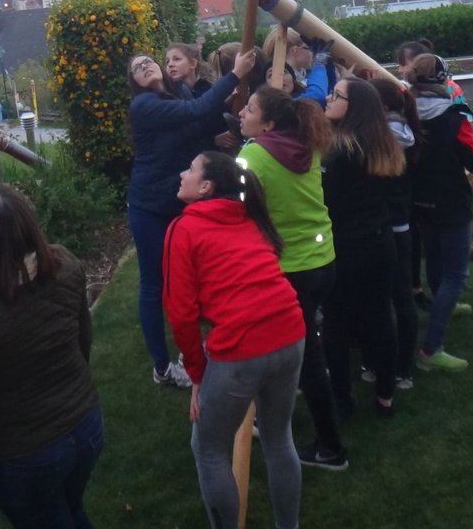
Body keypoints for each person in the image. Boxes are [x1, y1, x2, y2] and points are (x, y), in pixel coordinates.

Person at [164, 151, 305, 529]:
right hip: (291, 332)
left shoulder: (184, 227)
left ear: (205, 187)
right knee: (279, 438)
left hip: (242, 348)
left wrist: (197, 376)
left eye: (190, 169)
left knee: (208, 448)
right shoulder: (249, 217)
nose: (182, 173)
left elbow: (180, 313)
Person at [0, 184, 103, 528]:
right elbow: (83, 341)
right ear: (30, 225)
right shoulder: (66, 265)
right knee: (71, 511)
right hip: (86, 427)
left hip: (27, 456)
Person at [126, 47, 255, 387]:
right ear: (135, 82)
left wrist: (213, 136)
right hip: (150, 204)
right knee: (154, 283)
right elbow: (197, 110)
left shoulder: (179, 90)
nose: (146, 66)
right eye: (138, 68)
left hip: (181, 198)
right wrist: (235, 74)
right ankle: (162, 367)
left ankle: (198, 346)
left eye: (148, 61)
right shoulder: (144, 105)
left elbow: (194, 126)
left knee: (191, 277)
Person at [237, 84, 348, 470]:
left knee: (306, 357)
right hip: (323, 260)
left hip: (289, 271)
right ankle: (319, 396)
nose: (242, 113)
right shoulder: (307, 145)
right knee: (309, 341)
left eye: (250, 109)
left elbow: (238, 207)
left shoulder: (252, 156)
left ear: (267, 124)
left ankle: (331, 449)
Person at [321, 77, 403, 417]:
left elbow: (325, 201)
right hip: (380, 241)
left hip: (346, 247)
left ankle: (343, 399)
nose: (329, 98)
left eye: (337, 95)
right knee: (381, 316)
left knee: (335, 324)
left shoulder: (339, 152)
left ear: (353, 107)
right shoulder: (383, 145)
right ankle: (385, 394)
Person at [408, 54, 473, 373]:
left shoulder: (405, 114)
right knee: (455, 275)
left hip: (418, 199)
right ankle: (431, 349)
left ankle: (444, 306)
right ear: (444, 80)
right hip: (451, 201)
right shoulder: (455, 117)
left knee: (435, 258)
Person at [369, 74, 421, 388]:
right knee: (400, 297)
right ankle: (401, 367)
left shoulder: (382, 140)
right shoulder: (404, 130)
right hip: (400, 225)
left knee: (387, 299)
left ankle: (391, 365)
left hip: (385, 226)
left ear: (382, 108)